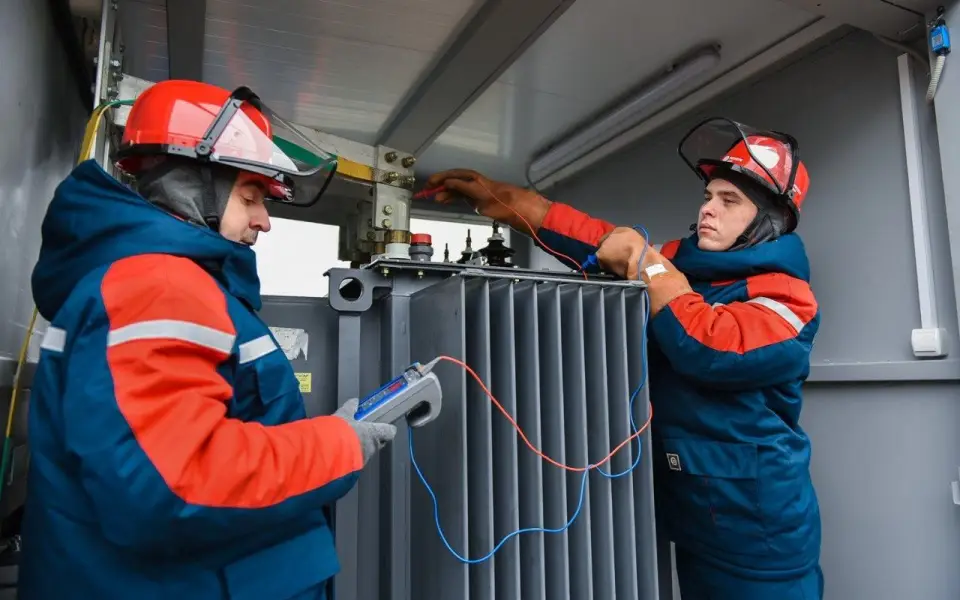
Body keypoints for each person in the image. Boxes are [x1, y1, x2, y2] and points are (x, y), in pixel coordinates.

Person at [18, 80, 397, 599]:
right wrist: (337, 443)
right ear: (190, 185)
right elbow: (173, 484)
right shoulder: (160, 288)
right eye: (251, 197)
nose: (264, 221)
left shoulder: (160, 283)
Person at [425, 117, 823, 600]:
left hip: (759, 532)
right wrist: (508, 202)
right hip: (694, 510)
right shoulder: (686, 265)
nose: (708, 210)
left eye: (729, 200)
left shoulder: (787, 298)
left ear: (769, 221)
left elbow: (713, 349)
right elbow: (603, 242)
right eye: (707, 197)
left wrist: (652, 266)